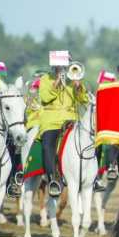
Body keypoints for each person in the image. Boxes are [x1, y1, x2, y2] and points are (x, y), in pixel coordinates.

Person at [38, 56, 89, 197]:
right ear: (53, 66)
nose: (61, 68)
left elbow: (84, 100)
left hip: (71, 120)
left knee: (89, 140)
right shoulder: (45, 79)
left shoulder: (73, 78)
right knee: (47, 145)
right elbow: (44, 98)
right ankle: (52, 179)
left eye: (63, 65)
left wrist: (79, 87)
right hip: (51, 121)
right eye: (58, 66)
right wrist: (56, 83)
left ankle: (93, 177)